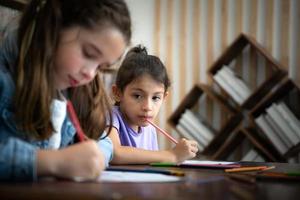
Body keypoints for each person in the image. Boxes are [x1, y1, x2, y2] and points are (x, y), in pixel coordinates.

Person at [0, 0, 131, 181]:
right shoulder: (5, 79)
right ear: (54, 26)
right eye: (89, 54)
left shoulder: (77, 90)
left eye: (100, 67)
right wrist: (54, 162)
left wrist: (95, 156)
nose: (90, 74)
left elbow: (104, 142)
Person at [107, 45, 198, 164]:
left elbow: (152, 164)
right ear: (118, 93)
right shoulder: (110, 116)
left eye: (155, 98)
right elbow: (114, 153)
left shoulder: (150, 129)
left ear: (164, 97)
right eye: (137, 96)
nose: (148, 107)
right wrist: (172, 155)